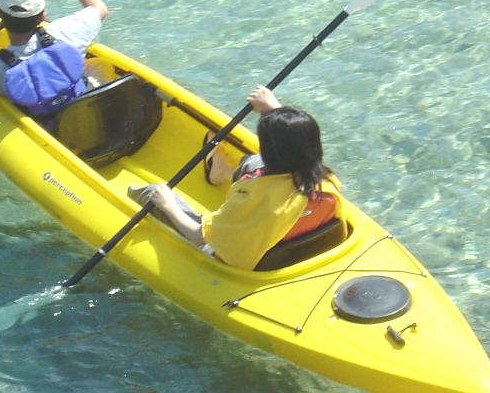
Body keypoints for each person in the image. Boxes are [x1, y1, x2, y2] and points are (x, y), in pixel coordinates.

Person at [145, 86, 344, 270]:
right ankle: (221, 172)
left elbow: (199, 236)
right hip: (292, 248)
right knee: (254, 163)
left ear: (271, 152)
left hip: (238, 259)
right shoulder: (326, 180)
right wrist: (273, 109)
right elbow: (295, 143)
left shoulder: (254, 201)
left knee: (150, 194)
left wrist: (167, 204)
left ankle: (152, 201)